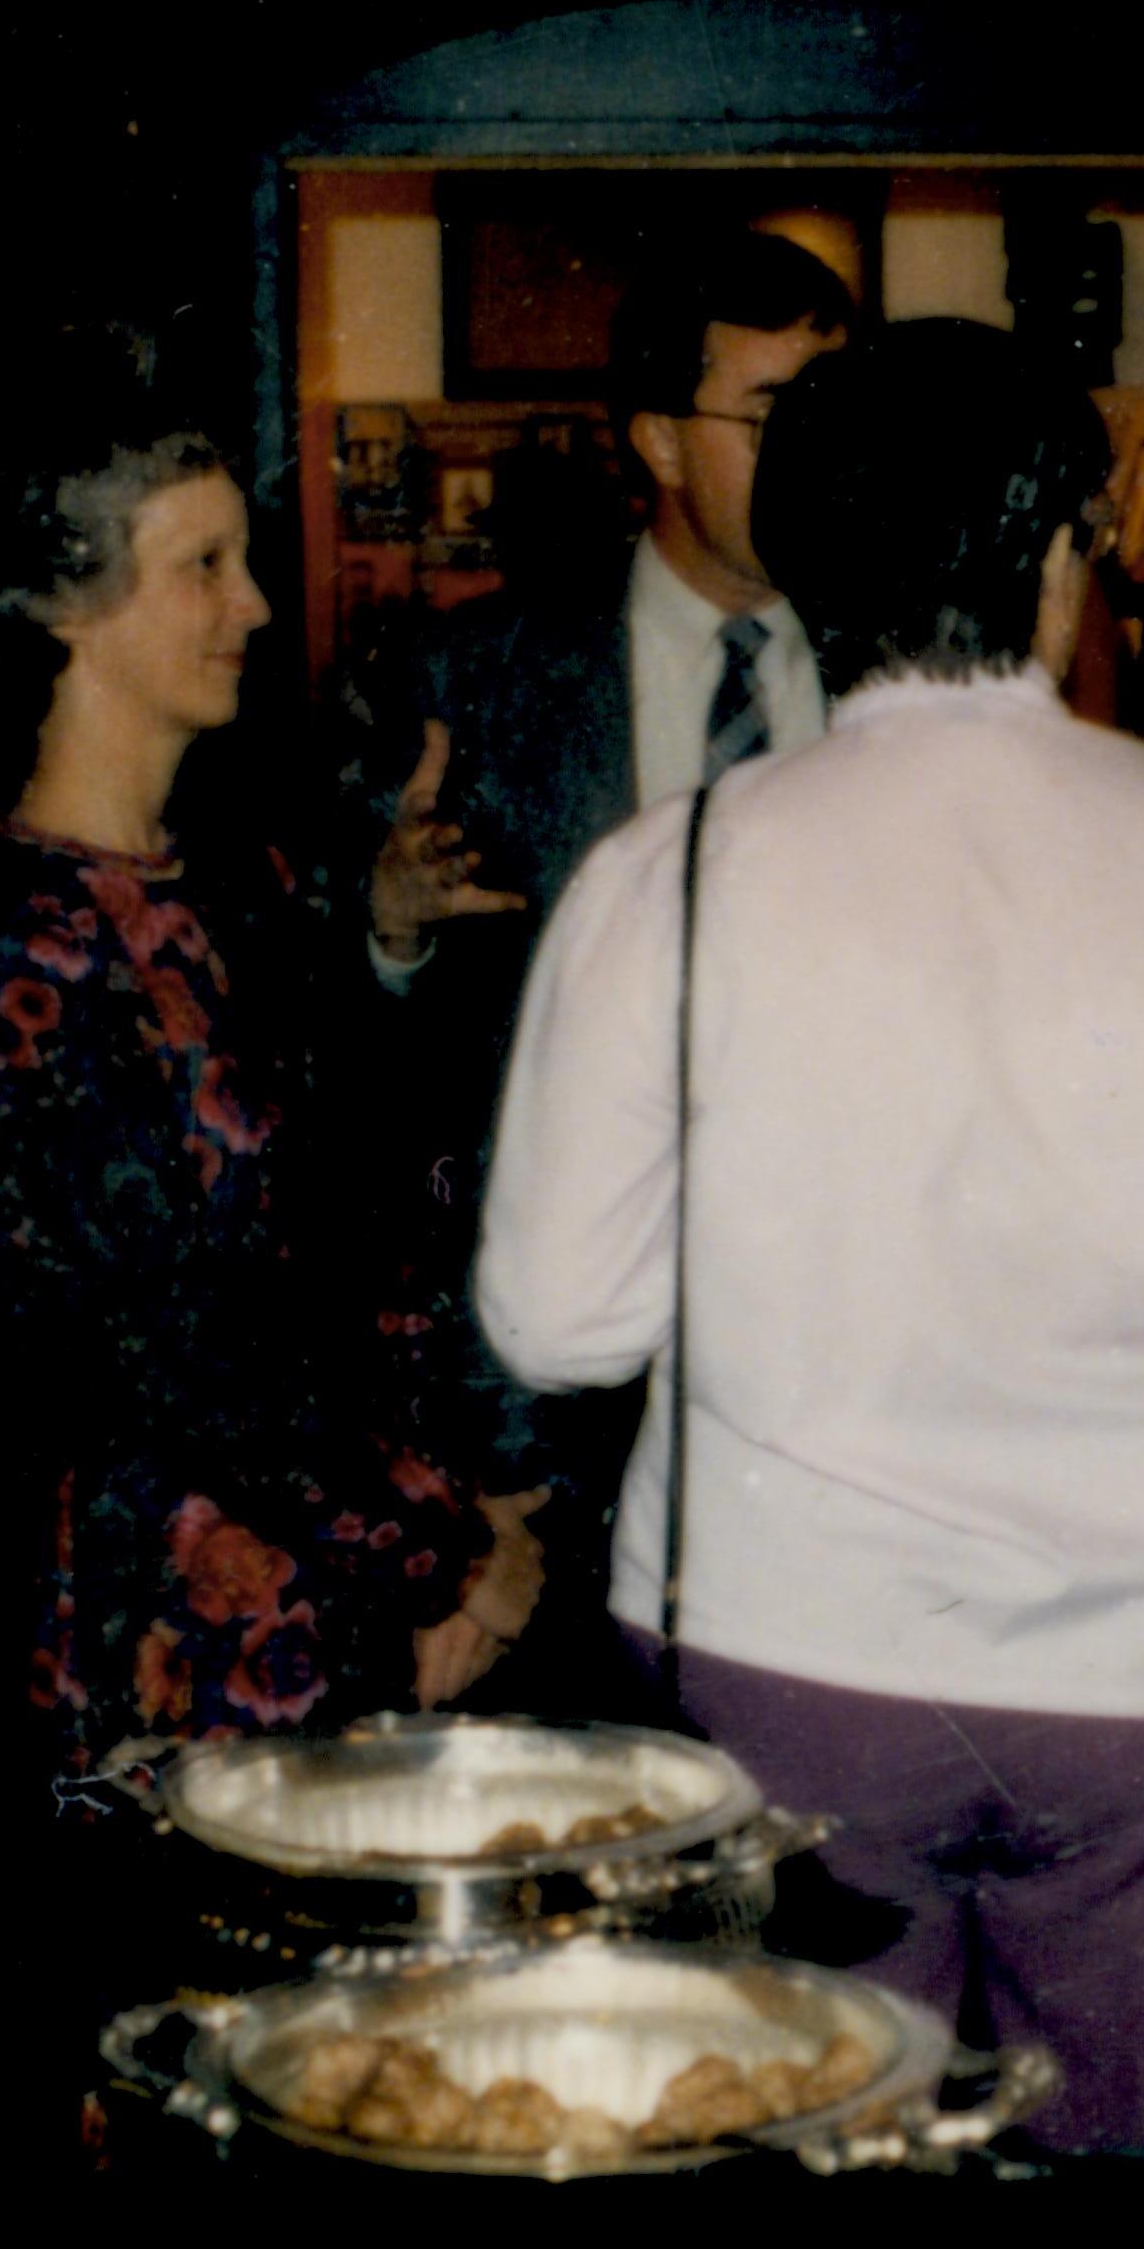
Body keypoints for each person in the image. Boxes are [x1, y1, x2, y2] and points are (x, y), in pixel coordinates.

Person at [472, 319, 1144, 2150]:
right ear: (1068, 547)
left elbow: (561, 1318)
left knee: (801, 2143)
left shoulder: (663, 872)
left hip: (791, 1652)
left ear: (811, 565)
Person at [0, 370, 542, 1802]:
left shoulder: (224, 881)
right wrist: (454, 1547)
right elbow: (139, 1372)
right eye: (203, 568)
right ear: (69, 605)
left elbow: (346, 1227)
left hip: (346, 1610)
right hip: (190, 1652)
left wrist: (472, 1512)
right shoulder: (26, 948)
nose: (254, 605)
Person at [353, 229, 853, 1716]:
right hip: (553, 1431)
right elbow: (358, 1067)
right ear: (658, 439)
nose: (825, 449)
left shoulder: (912, 668)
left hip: (848, 1391)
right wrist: (390, 925)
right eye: (777, 411)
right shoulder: (480, 681)